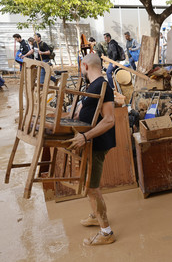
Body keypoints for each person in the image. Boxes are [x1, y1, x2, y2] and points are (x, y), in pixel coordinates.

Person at [67, 53, 116, 246]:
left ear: (84, 65)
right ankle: (96, 217)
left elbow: (109, 119)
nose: (80, 70)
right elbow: (85, 112)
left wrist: (85, 136)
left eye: (80, 67)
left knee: (92, 188)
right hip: (90, 143)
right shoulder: (94, 86)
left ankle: (106, 233)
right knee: (89, 185)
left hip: (96, 144)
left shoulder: (103, 86)